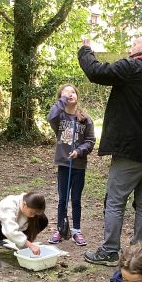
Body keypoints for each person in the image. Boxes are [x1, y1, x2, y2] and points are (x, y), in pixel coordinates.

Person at [77, 36, 142, 266]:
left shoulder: (133, 67)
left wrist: (85, 50)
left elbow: (96, 72)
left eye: (134, 44)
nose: (130, 48)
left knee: (115, 200)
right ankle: (139, 253)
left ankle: (110, 251)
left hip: (131, 151)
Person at [47, 84, 95, 246]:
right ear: (60, 98)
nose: (70, 94)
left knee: (76, 199)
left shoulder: (85, 118)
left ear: (77, 96)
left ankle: (76, 231)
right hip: (63, 164)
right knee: (62, 199)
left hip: (79, 166)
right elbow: (50, 117)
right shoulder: (58, 117)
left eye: (73, 92)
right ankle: (61, 229)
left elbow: (90, 141)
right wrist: (62, 101)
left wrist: (79, 151)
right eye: (66, 93)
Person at [0, 191, 48, 258]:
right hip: (3, 229)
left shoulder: (30, 204)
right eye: (31, 212)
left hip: (20, 230)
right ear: (24, 204)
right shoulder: (9, 204)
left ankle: (22, 244)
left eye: (35, 213)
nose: (33, 216)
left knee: (43, 219)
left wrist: (26, 242)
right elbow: (9, 230)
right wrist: (30, 245)